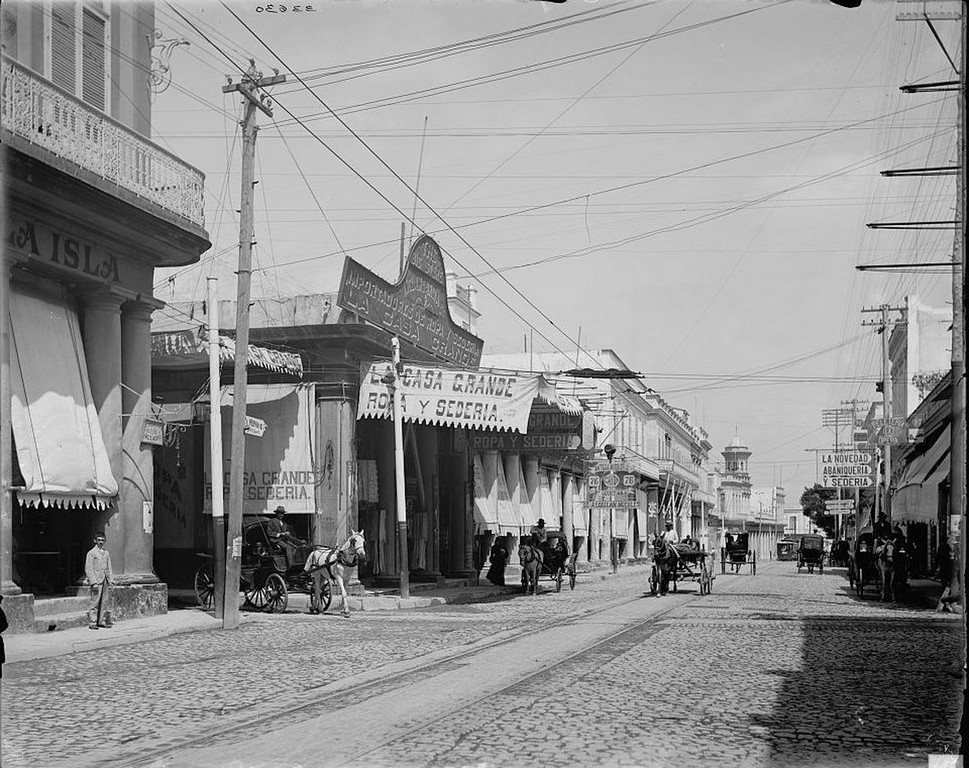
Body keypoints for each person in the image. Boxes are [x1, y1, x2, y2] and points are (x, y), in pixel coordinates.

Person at [85, 532, 113, 630]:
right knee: (95, 602)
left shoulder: (106, 553)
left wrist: (111, 581)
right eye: (99, 540)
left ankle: (101, 620)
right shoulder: (91, 553)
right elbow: (89, 569)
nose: (101, 542)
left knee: (104, 601)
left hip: (104, 580)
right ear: (95, 541)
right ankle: (92, 622)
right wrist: (93, 582)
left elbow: (109, 567)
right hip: (96, 580)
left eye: (102, 540)